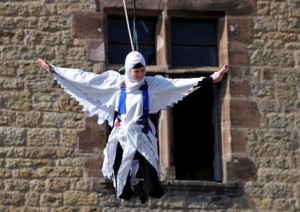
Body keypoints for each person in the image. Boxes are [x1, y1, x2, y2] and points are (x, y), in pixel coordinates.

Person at [37, 51, 227, 204]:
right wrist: (55, 70)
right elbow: (86, 79)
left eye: (142, 71)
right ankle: (133, 188)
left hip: (143, 136)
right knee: (123, 192)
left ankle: (145, 187)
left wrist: (210, 79)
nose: (140, 75)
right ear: (128, 71)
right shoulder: (115, 84)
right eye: (136, 72)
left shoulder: (152, 85)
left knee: (155, 190)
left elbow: (177, 84)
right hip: (122, 136)